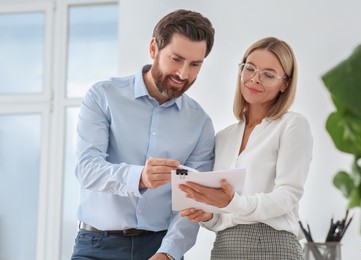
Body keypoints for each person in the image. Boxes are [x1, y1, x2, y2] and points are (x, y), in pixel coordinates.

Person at [71, 9, 215, 260]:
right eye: (176, 59)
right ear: (153, 48)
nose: (183, 74)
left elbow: (191, 200)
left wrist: (169, 253)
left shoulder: (200, 122)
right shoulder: (103, 97)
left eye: (195, 65)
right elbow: (87, 169)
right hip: (96, 246)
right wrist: (139, 177)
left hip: (159, 248)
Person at [179, 37, 313, 259]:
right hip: (225, 248)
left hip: (273, 247)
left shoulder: (292, 125)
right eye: (249, 68)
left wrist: (233, 202)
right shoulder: (224, 137)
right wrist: (207, 215)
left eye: (268, 74)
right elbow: (223, 216)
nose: (254, 79)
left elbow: (289, 194)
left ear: (285, 84)